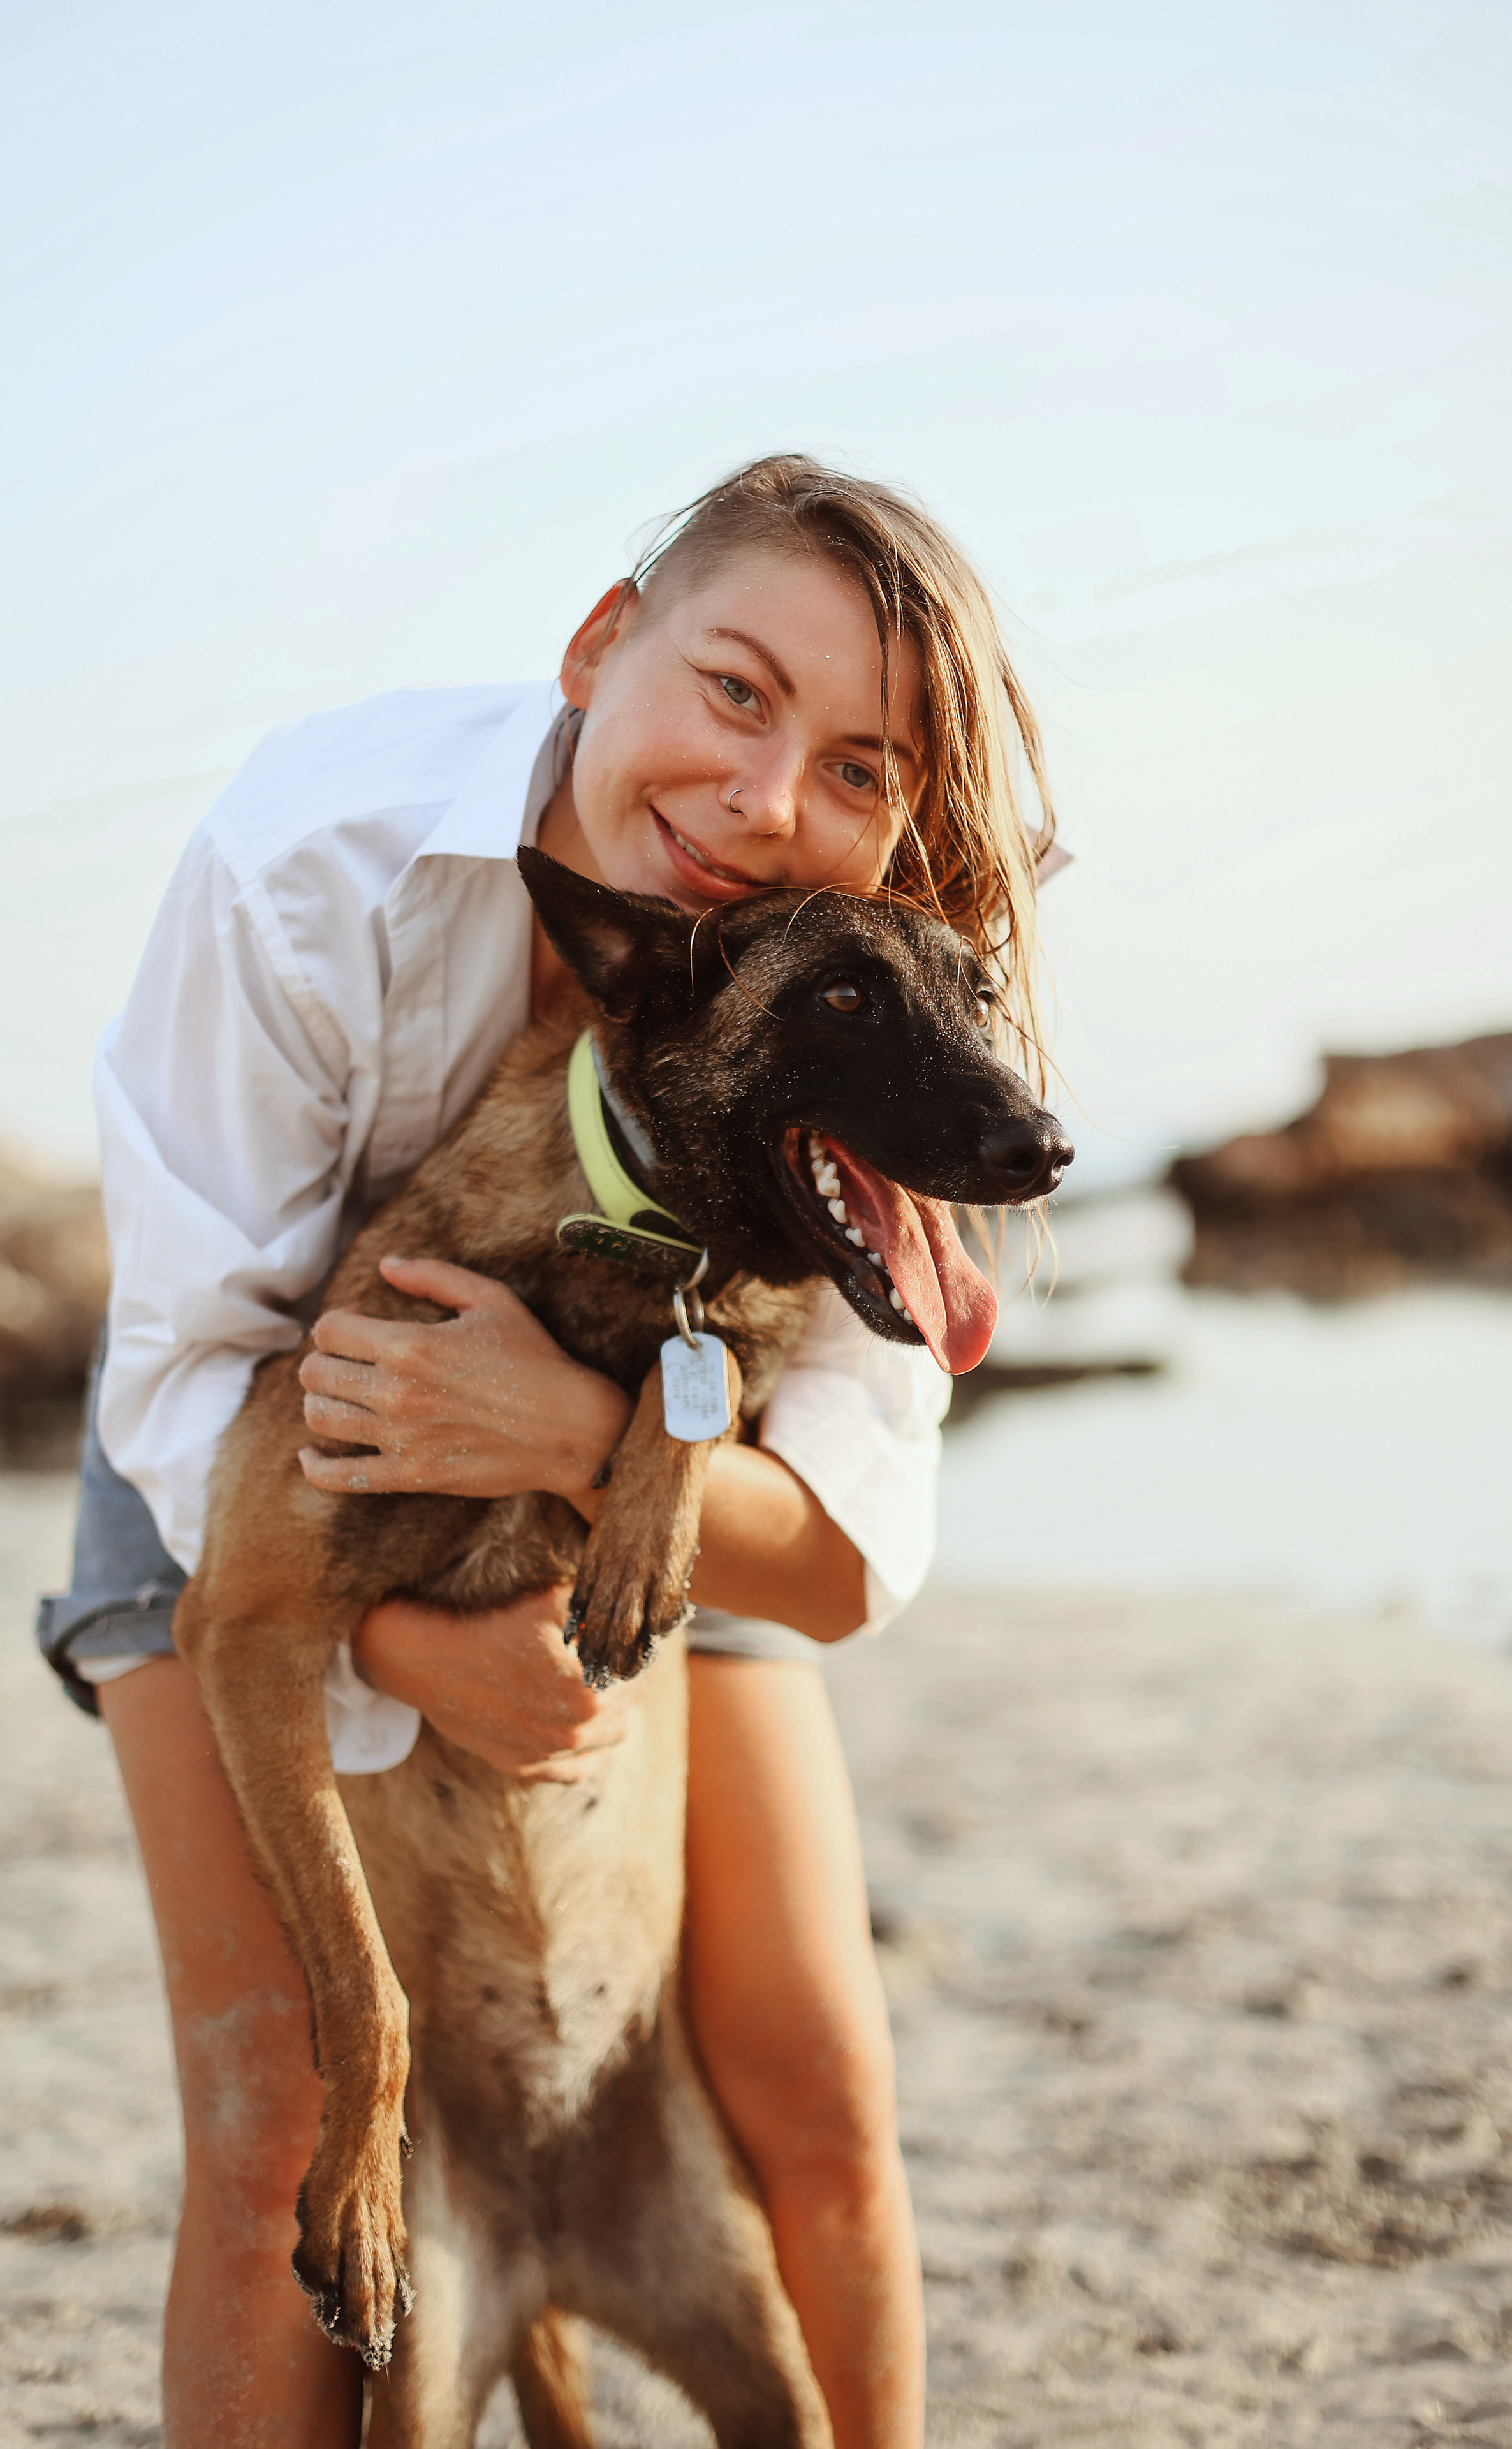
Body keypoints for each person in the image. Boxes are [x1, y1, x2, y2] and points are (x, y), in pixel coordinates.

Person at [38, 455, 1057, 2449]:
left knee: (819, 2095)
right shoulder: (310, 855)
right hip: (245, 1448)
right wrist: (407, 1651)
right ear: (601, 644)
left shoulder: (870, 1013)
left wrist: (587, 1438)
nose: (766, 798)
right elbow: (188, 1372)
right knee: (280, 2123)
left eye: (858, 767)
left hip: (661, 1446)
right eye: (736, 691)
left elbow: (842, 1551)